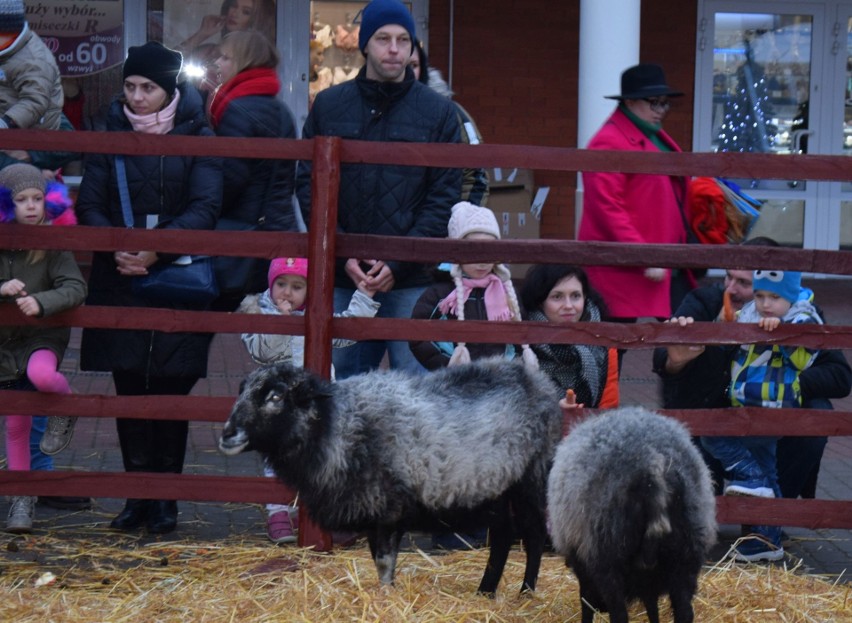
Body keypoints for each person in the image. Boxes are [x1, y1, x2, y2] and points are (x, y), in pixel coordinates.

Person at [75, 42, 222, 535]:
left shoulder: (200, 134)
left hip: (175, 278)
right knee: (129, 389)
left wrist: (157, 248)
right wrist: (117, 246)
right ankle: (137, 497)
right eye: (130, 87)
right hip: (119, 280)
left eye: (147, 88)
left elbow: (206, 205)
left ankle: (166, 501)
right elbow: (90, 202)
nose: (136, 98)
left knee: (170, 392)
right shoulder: (108, 131)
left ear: (169, 90)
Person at [295, 0, 462, 379]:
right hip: (343, 277)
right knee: (340, 394)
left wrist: (400, 261)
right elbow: (309, 185)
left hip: (412, 279)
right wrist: (341, 255)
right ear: (365, 44)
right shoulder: (330, 105)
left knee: (418, 400)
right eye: (383, 38)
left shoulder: (438, 112)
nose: (394, 49)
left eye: (404, 40)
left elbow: (444, 195)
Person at [653, 249, 851, 562]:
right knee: (712, 437)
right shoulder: (705, 302)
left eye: (744, 282)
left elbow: (840, 375)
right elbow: (663, 360)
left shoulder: (797, 314)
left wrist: (790, 384)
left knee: (818, 414)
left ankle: (765, 527)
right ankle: (726, 511)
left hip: (768, 422)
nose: (732, 288)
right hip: (709, 429)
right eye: (729, 277)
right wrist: (681, 353)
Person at [238, 257, 380, 544]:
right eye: (281, 284)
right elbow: (261, 352)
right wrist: (283, 322)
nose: (287, 293)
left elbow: (346, 332)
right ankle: (277, 513)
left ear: (309, 290)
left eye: (297, 286)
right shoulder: (256, 311)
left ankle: (320, 518)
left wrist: (364, 296)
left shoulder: (316, 313)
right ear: (270, 284)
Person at [699, 269, 821, 562]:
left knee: (711, 433)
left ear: (791, 295)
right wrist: (725, 324)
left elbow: (805, 358)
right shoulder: (751, 313)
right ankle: (767, 541)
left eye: (775, 297)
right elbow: (732, 340)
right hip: (746, 403)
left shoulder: (804, 317)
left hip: (774, 408)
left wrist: (782, 331)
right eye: (760, 295)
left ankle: (750, 478)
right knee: (768, 469)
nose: (766, 304)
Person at [0, 163, 86, 533]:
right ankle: (22, 500)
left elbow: (75, 288)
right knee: (16, 424)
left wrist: (42, 301)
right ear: (7, 205)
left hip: (41, 338)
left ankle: (66, 407)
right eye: (22, 200)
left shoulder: (53, 245)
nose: (31, 207)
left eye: (37, 199)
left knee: (42, 375)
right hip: (5, 346)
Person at [577, 63, 694, 326]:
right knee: (614, 341)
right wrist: (642, 254)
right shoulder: (609, 140)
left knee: (676, 331)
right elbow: (607, 206)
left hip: (658, 260)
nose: (661, 111)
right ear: (630, 102)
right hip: (629, 266)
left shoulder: (650, 134)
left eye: (665, 104)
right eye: (655, 103)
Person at [208, 29, 298, 306]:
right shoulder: (279, 109)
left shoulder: (238, 108)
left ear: (243, 62)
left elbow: (230, 180)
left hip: (241, 238)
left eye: (225, 58)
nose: (218, 64)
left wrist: (200, 207)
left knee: (196, 329)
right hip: (278, 229)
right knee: (272, 335)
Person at [520, 264, 619, 412]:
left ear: (585, 298)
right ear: (540, 302)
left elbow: (608, 407)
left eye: (575, 296)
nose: (568, 305)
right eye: (557, 297)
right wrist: (554, 410)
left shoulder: (603, 344)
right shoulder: (522, 344)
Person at [409, 41, 489, 206]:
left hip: (442, 224)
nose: (408, 72)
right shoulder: (374, 110)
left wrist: (464, 223)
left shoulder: (450, 112)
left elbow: (476, 174)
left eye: (414, 65)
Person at [179, 0, 276, 95]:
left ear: (257, 20)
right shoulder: (209, 51)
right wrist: (202, 34)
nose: (234, 13)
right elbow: (168, 66)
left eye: (246, 12)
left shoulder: (257, 61)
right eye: (234, 6)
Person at [0, 0, 64, 132]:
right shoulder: (6, 50)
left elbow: (34, 101)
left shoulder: (34, 60)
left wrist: (5, 123)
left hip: (33, 136)